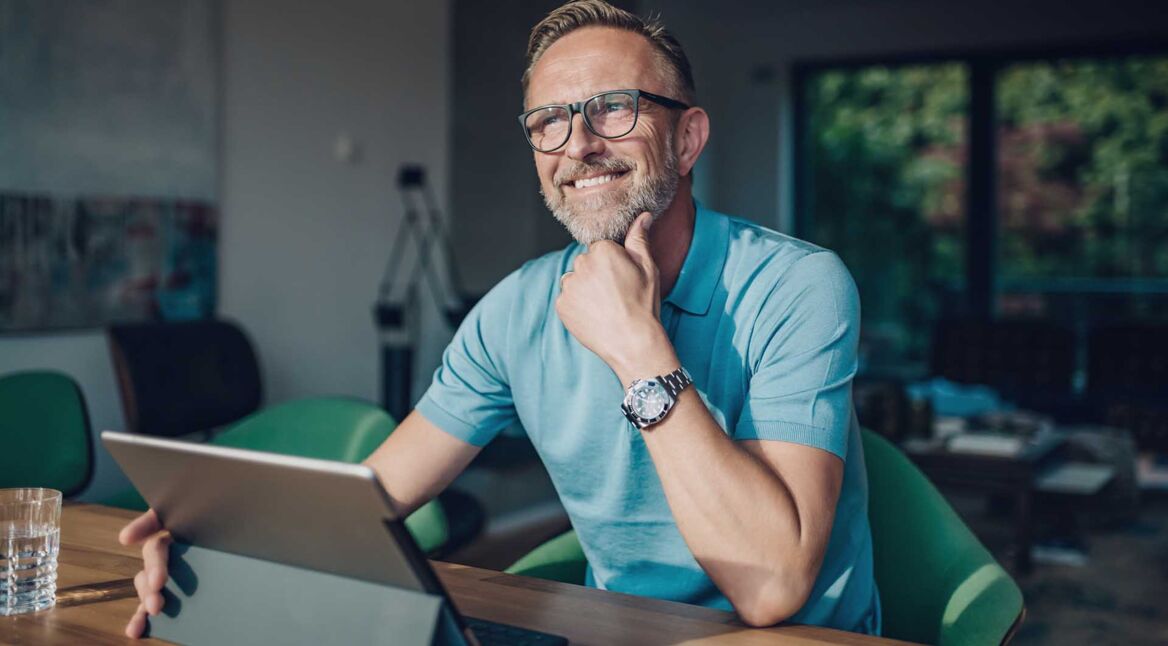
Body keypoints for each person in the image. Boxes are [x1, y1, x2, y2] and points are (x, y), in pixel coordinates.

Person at [120, 0, 880, 636]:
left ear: (687, 139)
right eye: (548, 121)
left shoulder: (798, 285)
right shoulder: (516, 306)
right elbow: (376, 494)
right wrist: (214, 539)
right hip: (617, 629)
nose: (578, 144)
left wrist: (636, 346)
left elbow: (772, 587)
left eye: (614, 108)